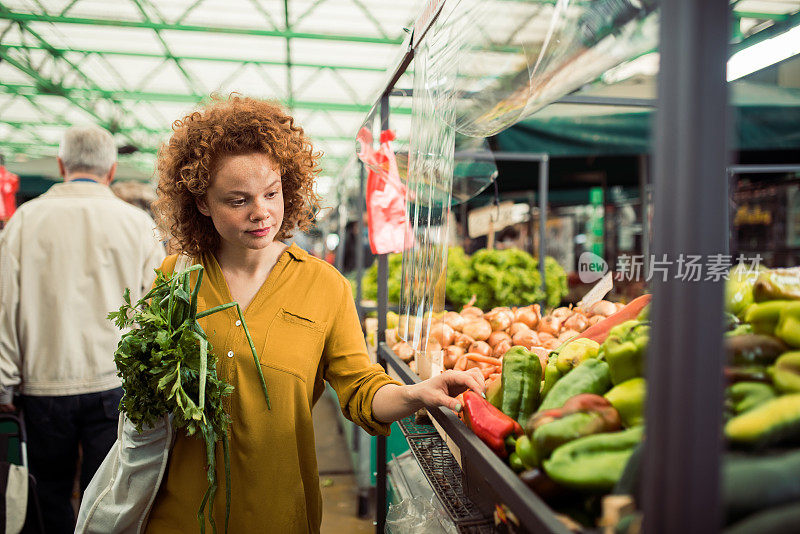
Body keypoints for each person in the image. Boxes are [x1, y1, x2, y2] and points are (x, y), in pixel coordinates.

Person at [142, 96, 485, 533]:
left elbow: (360, 389)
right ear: (203, 204)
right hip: (181, 516)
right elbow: (148, 388)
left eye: (272, 193)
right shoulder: (177, 278)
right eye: (237, 200)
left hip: (276, 513)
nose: (261, 212)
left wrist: (415, 393)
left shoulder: (324, 287)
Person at [0, 125, 166, 533]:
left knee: (48, 495)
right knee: (107, 496)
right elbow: (157, 310)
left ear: (60, 165)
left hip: (42, 387)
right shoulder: (138, 225)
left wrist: (5, 382)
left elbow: (4, 303)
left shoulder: (24, 221)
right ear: (111, 170)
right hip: (114, 384)